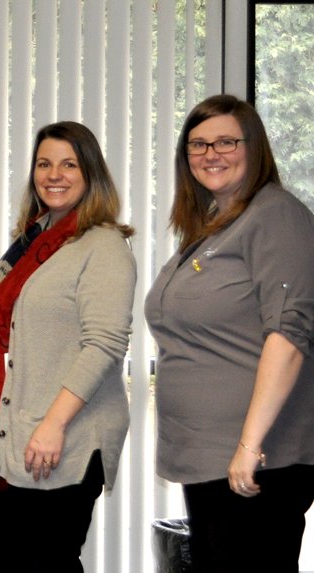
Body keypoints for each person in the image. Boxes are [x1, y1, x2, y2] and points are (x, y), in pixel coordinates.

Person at [0, 121, 135, 572]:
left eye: (69, 164)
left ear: (91, 173)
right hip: (14, 436)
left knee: (48, 563)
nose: (54, 175)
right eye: (44, 164)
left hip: (63, 436)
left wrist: (54, 425)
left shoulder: (104, 245)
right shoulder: (35, 241)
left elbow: (104, 344)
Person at [146, 95, 314, 573]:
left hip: (258, 461)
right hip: (210, 458)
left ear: (253, 147)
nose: (210, 154)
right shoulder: (217, 226)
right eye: (198, 144)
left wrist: (248, 446)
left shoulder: (275, 215)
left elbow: (289, 335)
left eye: (225, 142)